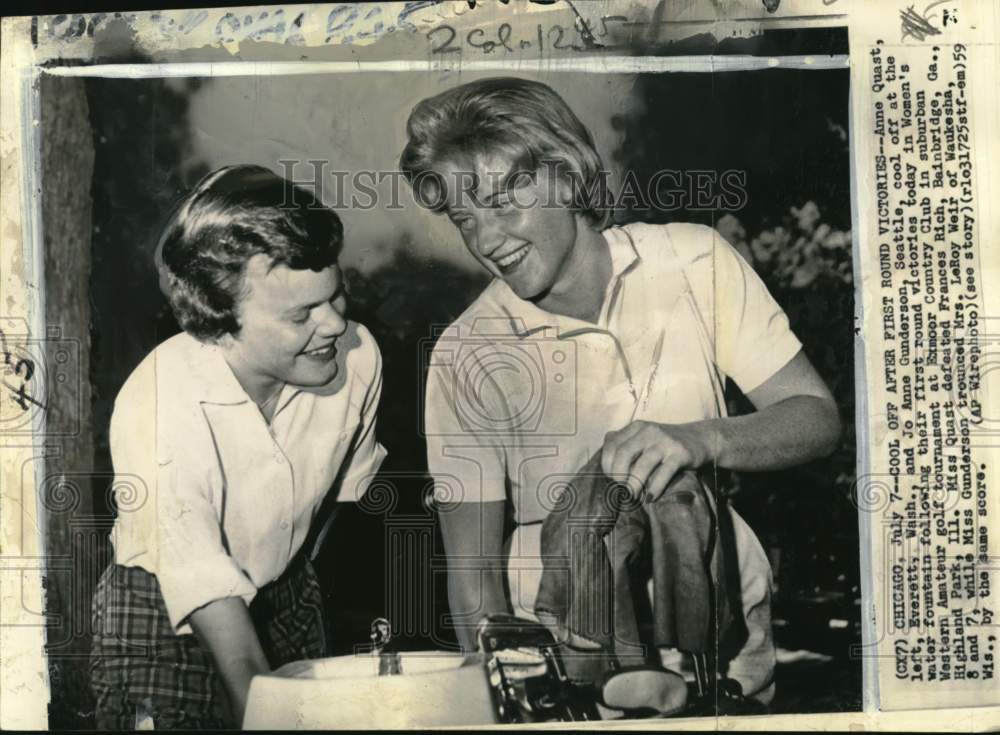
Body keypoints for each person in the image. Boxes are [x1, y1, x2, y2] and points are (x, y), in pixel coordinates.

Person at [400, 77, 841, 706]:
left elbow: (817, 420)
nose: (486, 240)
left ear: (569, 176)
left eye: (503, 203)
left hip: (725, 655)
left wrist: (701, 438)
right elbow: (473, 581)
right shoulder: (465, 353)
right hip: (570, 675)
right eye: (464, 218)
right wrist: (507, 700)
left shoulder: (697, 261)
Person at [90, 165, 386, 729]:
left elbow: (337, 507)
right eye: (301, 314)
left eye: (335, 295)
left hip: (285, 593)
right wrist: (257, 696)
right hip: (162, 614)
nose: (334, 324)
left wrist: (291, 589)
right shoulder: (158, 403)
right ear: (221, 327)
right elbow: (203, 582)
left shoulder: (359, 356)